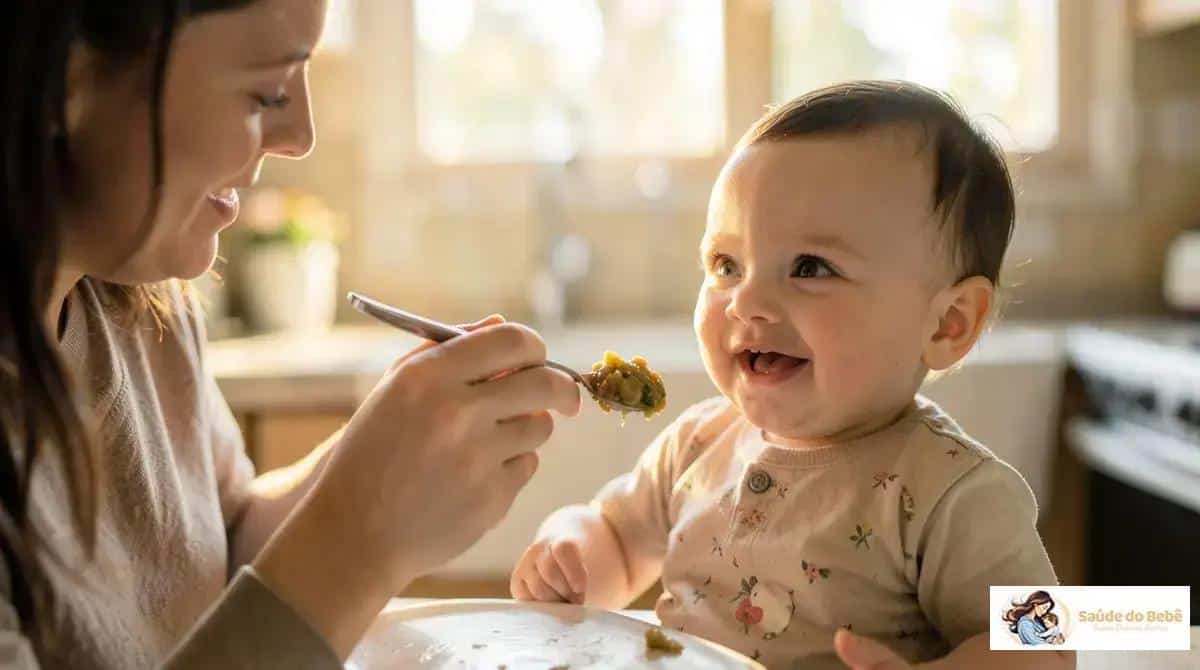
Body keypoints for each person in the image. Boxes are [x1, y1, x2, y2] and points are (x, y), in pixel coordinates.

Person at [0, 1, 580, 667]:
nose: (299, 133)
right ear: (66, 79)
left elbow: (224, 543)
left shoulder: (140, 306)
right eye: (267, 90)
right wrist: (358, 541)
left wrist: (385, 454)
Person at [511, 81, 1076, 670]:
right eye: (726, 264)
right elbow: (617, 537)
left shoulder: (951, 494)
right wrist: (569, 554)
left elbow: (1044, 644)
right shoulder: (697, 445)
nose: (747, 300)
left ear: (947, 324)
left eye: (810, 267)